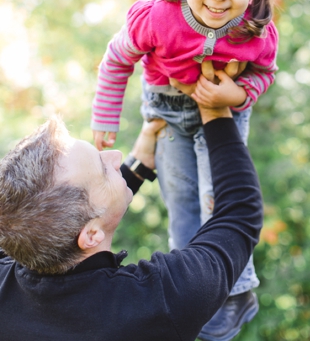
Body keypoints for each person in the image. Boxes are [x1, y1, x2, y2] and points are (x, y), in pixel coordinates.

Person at [91, 0, 282, 341]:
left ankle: (236, 291)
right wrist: (106, 117)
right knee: (182, 202)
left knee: (219, 200)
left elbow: (265, 74)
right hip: (168, 113)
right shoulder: (159, 17)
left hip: (227, 112)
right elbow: (117, 59)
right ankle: (191, 292)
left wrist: (236, 95)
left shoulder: (254, 31)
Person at [0, 78, 263, 341]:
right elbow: (240, 214)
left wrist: (136, 166)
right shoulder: (156, 303)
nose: (114, 155)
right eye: (103, 169)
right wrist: (215, 111)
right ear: (91, 235)